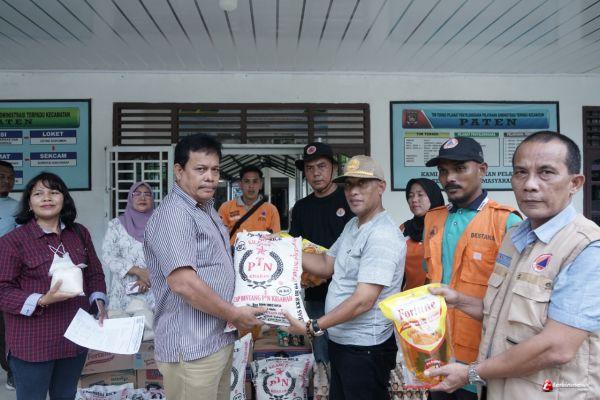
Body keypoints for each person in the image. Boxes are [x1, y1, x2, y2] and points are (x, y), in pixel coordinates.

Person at [425, 131, 600, 400]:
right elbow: (498, 313)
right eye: (521, 173)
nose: (530, 185)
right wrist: (458, 300)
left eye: (546, 173)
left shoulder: (586, 247)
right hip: (502, 389)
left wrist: (472, 372)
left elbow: (557, 347)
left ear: (575, 183)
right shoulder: (515, 238)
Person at [144, 134, 265, 400]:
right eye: (200, 169)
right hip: (192, 347)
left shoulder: (206, 209)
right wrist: (235, 314)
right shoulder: (175, 214)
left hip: (215, 339)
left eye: (215, 170)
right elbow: (183, 283)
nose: (210, 177)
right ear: (179, 171)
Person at [284, 155, 405, 400]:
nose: (353, 191)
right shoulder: (353, 225)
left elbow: (363, 300)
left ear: (381, 187)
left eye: (362, 183)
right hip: (343, 344)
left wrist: (314, 326)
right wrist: (283, 248)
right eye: (349, 185)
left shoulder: (382, 235)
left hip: (365, 350)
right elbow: (325, 264)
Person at [423, 137, 521, 400]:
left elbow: (514, 300)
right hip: (437, 354)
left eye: (460, 168)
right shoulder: (433, 218)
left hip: (482, 362)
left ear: (482, 170)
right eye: (443, 171)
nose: (449, 178)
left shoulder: (506, 221)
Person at [0, 172, 108, 400]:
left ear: (64, 199)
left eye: (54, 192)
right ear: (29, 203)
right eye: (38, 193)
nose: (47, 198)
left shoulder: (79, 233)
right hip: (32, 342)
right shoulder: (13, 241)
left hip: (75, 337)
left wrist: (98, 301)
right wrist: (41, 300)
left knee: (66, 395)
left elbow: (94, 273)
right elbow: (3, 290)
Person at [288, 142, 354, 380]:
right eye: (310, 168)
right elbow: (294, 249)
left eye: (321, 166)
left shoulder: (350, 200)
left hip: (347, 293)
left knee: (347, 354)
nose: (316, 173)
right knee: (321, 356)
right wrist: (302, 278)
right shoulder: (301, 208)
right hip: (315, 294)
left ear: (333, 168)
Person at [102, 182, 155, 337]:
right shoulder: (116, 225)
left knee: (152, 338)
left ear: (152, 199)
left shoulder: (161, 225)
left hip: (153, 290)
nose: (142, 197)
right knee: (123, 337)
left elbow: (170, 254)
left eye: (147, 194)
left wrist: (149, 275)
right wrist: (138, 271)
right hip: (123, 292)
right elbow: (108, 255)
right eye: (137, 194)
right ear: (130, 198)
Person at [218, 165, 281, 246]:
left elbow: (276, 237)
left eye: (255, 181)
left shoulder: (271, 210)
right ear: (240, 184)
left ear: (260, 184)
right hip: (233, 253)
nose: (251, 186)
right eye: (247, 181)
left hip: (260, 252)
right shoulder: (226, 208)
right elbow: (219, 237)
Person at [400, 178, 444, 291]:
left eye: (420, 195)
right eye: (410, 196)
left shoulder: (447, 226)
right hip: (409, 297)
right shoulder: (404, 229)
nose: (414, 200)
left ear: (433, 196)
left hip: (441, 296)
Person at [0, 160, 18, 390]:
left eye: (10, 177)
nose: (7, 181)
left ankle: (12, 371)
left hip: (7, 277)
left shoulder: (18, 208)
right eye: (2, 176)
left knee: (8, 327)